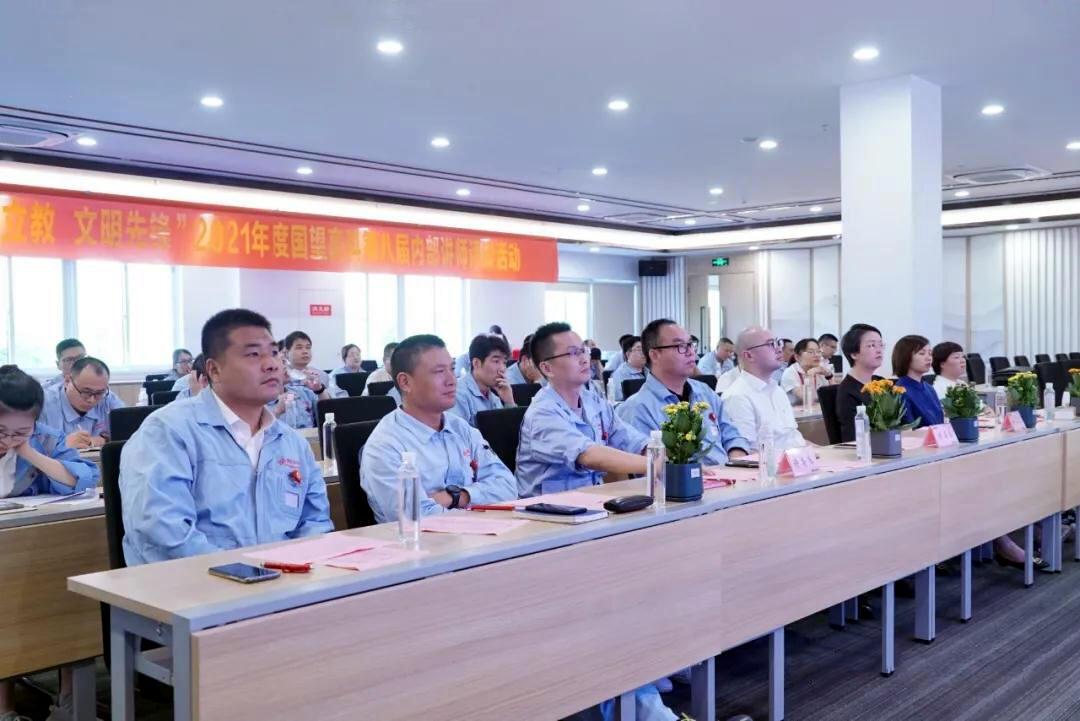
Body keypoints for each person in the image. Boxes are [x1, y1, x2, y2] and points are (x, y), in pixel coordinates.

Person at [120, 309, 332, 566]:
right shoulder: (167, 432)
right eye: (253, 354)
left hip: (285, 583)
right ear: (214, 370)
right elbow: (164, 533)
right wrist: (251, 574)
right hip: (195, 585)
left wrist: (293, 570)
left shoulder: (291, 443)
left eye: (275, 353)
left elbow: (316, 521)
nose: (272, 364)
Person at [0, 366, 101, 721]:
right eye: (1, 431)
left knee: (64, 592)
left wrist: (28, 451)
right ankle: (5, 708)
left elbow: (84, 478)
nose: (9, 439)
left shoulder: (43, 439)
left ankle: (70, 705)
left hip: (32, 542)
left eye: (20, 431)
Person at [360, 334, 517, 522]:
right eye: (439, 371)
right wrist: (477, 499)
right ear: (405, 382)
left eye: (452, 369)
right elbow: (414, 518)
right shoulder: (385, 445)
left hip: (481, 534)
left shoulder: (461, 428)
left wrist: (457, 496)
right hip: (424, 541)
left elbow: (508, 486)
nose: (452, 380)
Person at [516, 322, 649, 498]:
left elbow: (628, 437)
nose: (585, 359)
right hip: (550, 508)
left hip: (591, 500)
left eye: (584, 350)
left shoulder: (593, 400)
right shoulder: (542, 413)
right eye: (573, 353)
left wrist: (654, 450)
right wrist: (653, 464)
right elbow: (588, 455)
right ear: (547, 368)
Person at [617, 320, 750, 466]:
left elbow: (733, 436)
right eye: (680, 346)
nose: (691, 352)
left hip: (729, 474)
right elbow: (649, 468)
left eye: (690, 344)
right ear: (654, 355)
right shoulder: (637, 408)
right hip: (684, 479)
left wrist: (737, 464)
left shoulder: (705, 392)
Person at [721, 327, 807, 452]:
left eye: (778, 343)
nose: (779, 349)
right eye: (771, 344)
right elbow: (746, 455)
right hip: (772, 463)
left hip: (797, 459)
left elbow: (793, 438)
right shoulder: (737, 397)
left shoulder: (777, 390)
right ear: (749, 355)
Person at [40, 357, 125, 450]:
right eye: (86, 392)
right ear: (67, 381)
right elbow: (31, 450)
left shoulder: (107, 398)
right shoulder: (43, 405)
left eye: (99, 393)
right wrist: (61, 446)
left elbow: (128, 432)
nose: (92, 400)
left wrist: (105, 439)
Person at [449, 333, 516, 427]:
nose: (502, 369)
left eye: (504, 362)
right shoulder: (458, 394)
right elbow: (458, 433)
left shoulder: (493, 396)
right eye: (496, 361)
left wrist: (509, 401)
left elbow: (509, 430)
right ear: (476, 363)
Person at [835, 324, 885, 443]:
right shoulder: (848, 392)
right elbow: (854, 438)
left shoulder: (881, 383)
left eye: (881, 345)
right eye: (871, 345)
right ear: (854, 354)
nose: (879, 350)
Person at [892, 335, 944, 427]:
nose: (929, 358)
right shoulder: (900, 391)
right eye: (922, 353)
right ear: (906, 357)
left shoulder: (929, 388)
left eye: (930, 353)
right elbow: (908, 429)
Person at [284, 331, 340, 398]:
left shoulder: (321, 375)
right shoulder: (282, 376)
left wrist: (320, 390)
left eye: (308, 347)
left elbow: (333, 401)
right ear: (286, 353)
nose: (305, 351)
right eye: (299, 348)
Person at [781, 338, 833, 406]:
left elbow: (834, 395)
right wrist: (810, 375)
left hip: (816, 411)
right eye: (811, 352)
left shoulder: (820, 370)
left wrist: (829, 376)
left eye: (818, 351)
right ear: (797, 357)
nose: (817, 355)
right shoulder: (790, 373)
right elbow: (809, 400)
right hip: (795, 412)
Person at [608, 335, 647, 402]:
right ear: (628, 354)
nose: (644, 353)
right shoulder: (619, 374)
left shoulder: (650, 371)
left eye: (645, 349)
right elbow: (619, 399)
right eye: (639, 349)